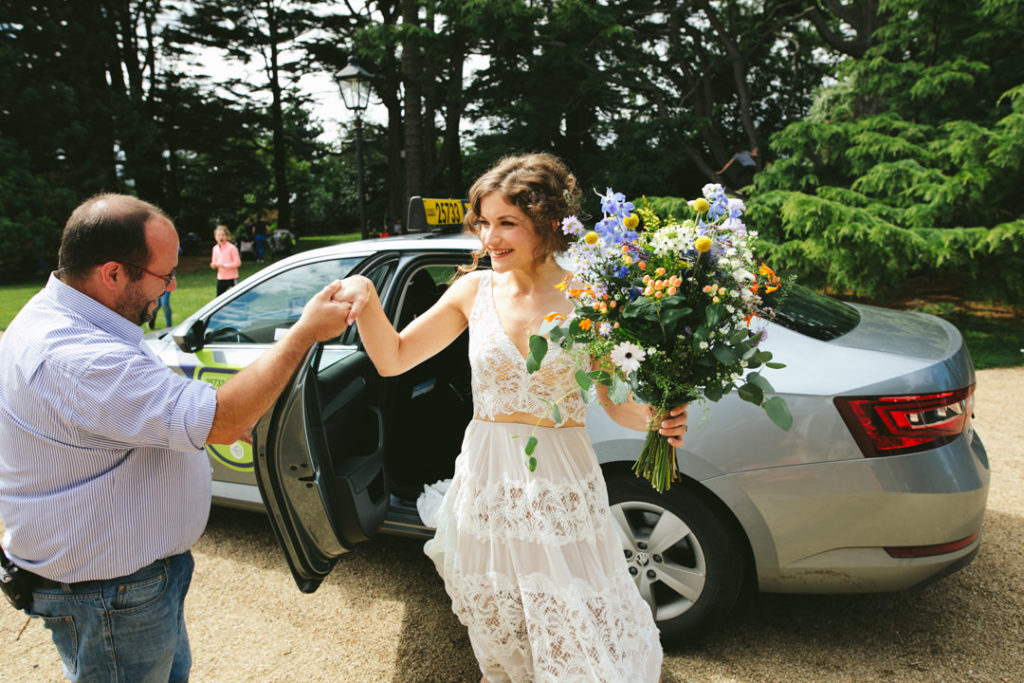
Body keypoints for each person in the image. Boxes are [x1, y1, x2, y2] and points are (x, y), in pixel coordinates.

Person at [333, 153, 688, 682]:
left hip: (561, 478)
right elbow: (394, 357)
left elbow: (614, 402)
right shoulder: (473, 290)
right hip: (488, 478)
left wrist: (659, 421)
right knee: (501, 616)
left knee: (575, 616)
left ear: (547, 224)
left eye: (506, 223)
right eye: (484, 222)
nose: (489, 238)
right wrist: (365, 298)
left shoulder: (589, 299)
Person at [0, 193, 351, 682]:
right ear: (113, 273)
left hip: (119, 582)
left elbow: (125, 416)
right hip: (110, 593)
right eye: (164, 276)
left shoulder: (68, 318)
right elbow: (221, 422)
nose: (170, 287)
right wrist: (304, 333)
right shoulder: (77, 356)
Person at [210, 223, 241, 295]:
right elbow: (214, 261)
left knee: (235, 298)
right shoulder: (215, 248)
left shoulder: (232, 248)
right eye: (218, 235)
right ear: (215, 237)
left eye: (223, 235)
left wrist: (224, 265)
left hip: (232, 277)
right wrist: (213, 265)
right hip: (221, 278)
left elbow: (238, 263)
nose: (221, 237)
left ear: (227, 236)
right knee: (219, 299)